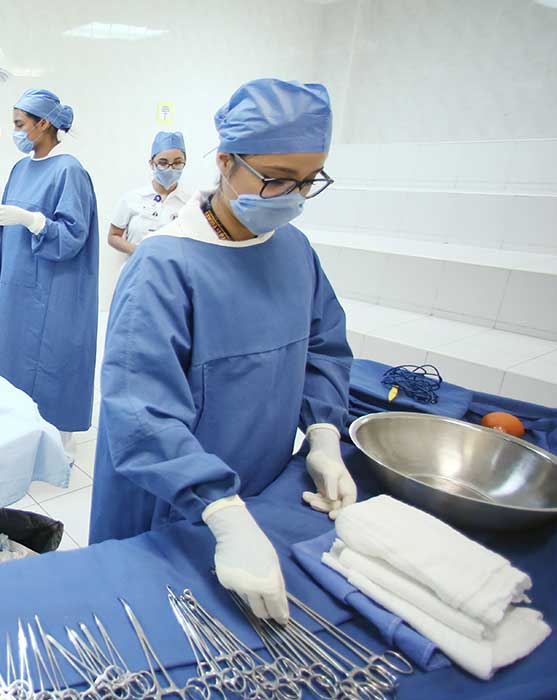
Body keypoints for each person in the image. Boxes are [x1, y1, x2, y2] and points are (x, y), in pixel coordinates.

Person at [89, 79, 356, 624]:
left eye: (309, 181)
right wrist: (221, 511)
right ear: (226, 161)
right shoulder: (164, 267)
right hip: (171, 496)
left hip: (259, 484)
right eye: (277, 178)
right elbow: (141, 412)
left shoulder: (295, 251)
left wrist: (325, 434)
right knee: (152, 627)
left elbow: (324, 347)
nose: (294, 196)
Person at [0, 89, 99, 458]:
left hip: (54, 290)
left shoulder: (69, 170)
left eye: (19, 124)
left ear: (43, 124)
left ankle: (59, 449)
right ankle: (21, 443)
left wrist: (32, 219)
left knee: (54, 364)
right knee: (14, 364)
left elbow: (74, 235)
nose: (15, 131)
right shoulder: (20, 169)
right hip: (15, 288)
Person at [107, 131, 189, 256]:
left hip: (173, 267)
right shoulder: (132, 198)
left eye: (177, 163)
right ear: (152, 164)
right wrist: (140, 252)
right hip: (138, 265)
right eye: (163, 163)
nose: (170, 168)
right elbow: (113, 236)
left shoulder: (190, 204)